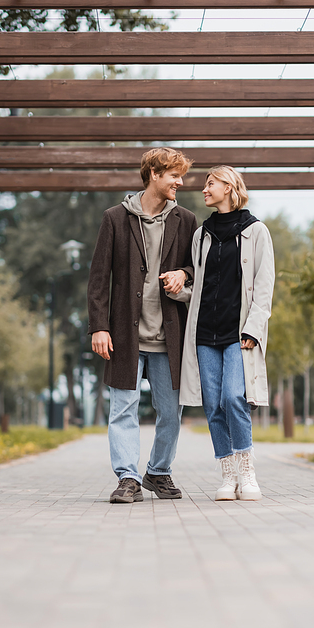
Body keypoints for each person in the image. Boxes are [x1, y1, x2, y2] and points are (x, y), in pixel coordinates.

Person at [88, 147, 198, 504]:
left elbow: (200, 269)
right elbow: (98, 279)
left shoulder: (187, 220)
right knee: (123, 409)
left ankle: (158, 471)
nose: (180, 182)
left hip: (170, 338)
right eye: (174, 176)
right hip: (124, 335)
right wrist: (98, 327)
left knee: (171, 410)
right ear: (154, 174)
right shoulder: (115, 219)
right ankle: (128, 478)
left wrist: (184, 273)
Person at [168, 166, 274, 501]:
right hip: (204, 334)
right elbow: (200, 285)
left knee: (233, 398)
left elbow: (264, 287)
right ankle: (228, 476)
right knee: (213, 405)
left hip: (237, 333)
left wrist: (254, 329)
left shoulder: (256, 231)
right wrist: (178, 290)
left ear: (229, 188)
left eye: (210, 184)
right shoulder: (202, 234)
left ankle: (248, 473)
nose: (203, 189)